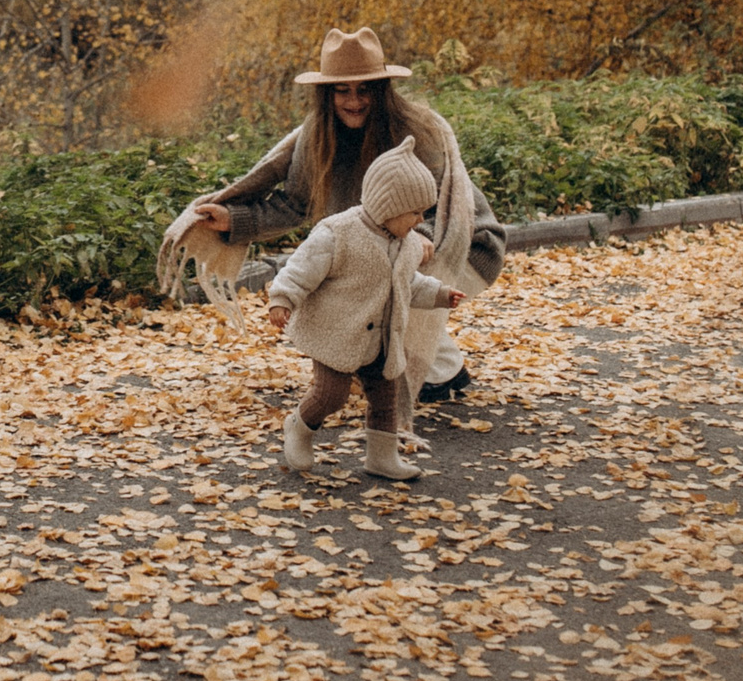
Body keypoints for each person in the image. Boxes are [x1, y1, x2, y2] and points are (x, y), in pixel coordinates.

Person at [158, 27, 505, 437]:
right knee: (366, 282)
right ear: (327, 94)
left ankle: (441, 373)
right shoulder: (316, 137)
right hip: (391, 242)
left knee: (387, 287)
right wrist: (235, 220)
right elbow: (295, 205)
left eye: (365, 90)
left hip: (462, 241)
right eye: (343, 90)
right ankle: (413, 364)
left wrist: (417, 239)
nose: (354, 101)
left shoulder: (416, 130)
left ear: (382, 90)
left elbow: (436, 203)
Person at [264, 138, 466, 479]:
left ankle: (381, 457)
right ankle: (299, 426)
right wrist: (282, 298)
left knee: (386, 396)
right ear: (388, 206)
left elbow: (407, 283)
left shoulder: (406, 242)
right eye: (415, 212)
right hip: (337, 333)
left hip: (383, 338)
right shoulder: (337, 234)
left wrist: (440, 294)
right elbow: (301, 268)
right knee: (331, 394)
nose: (420, 221)